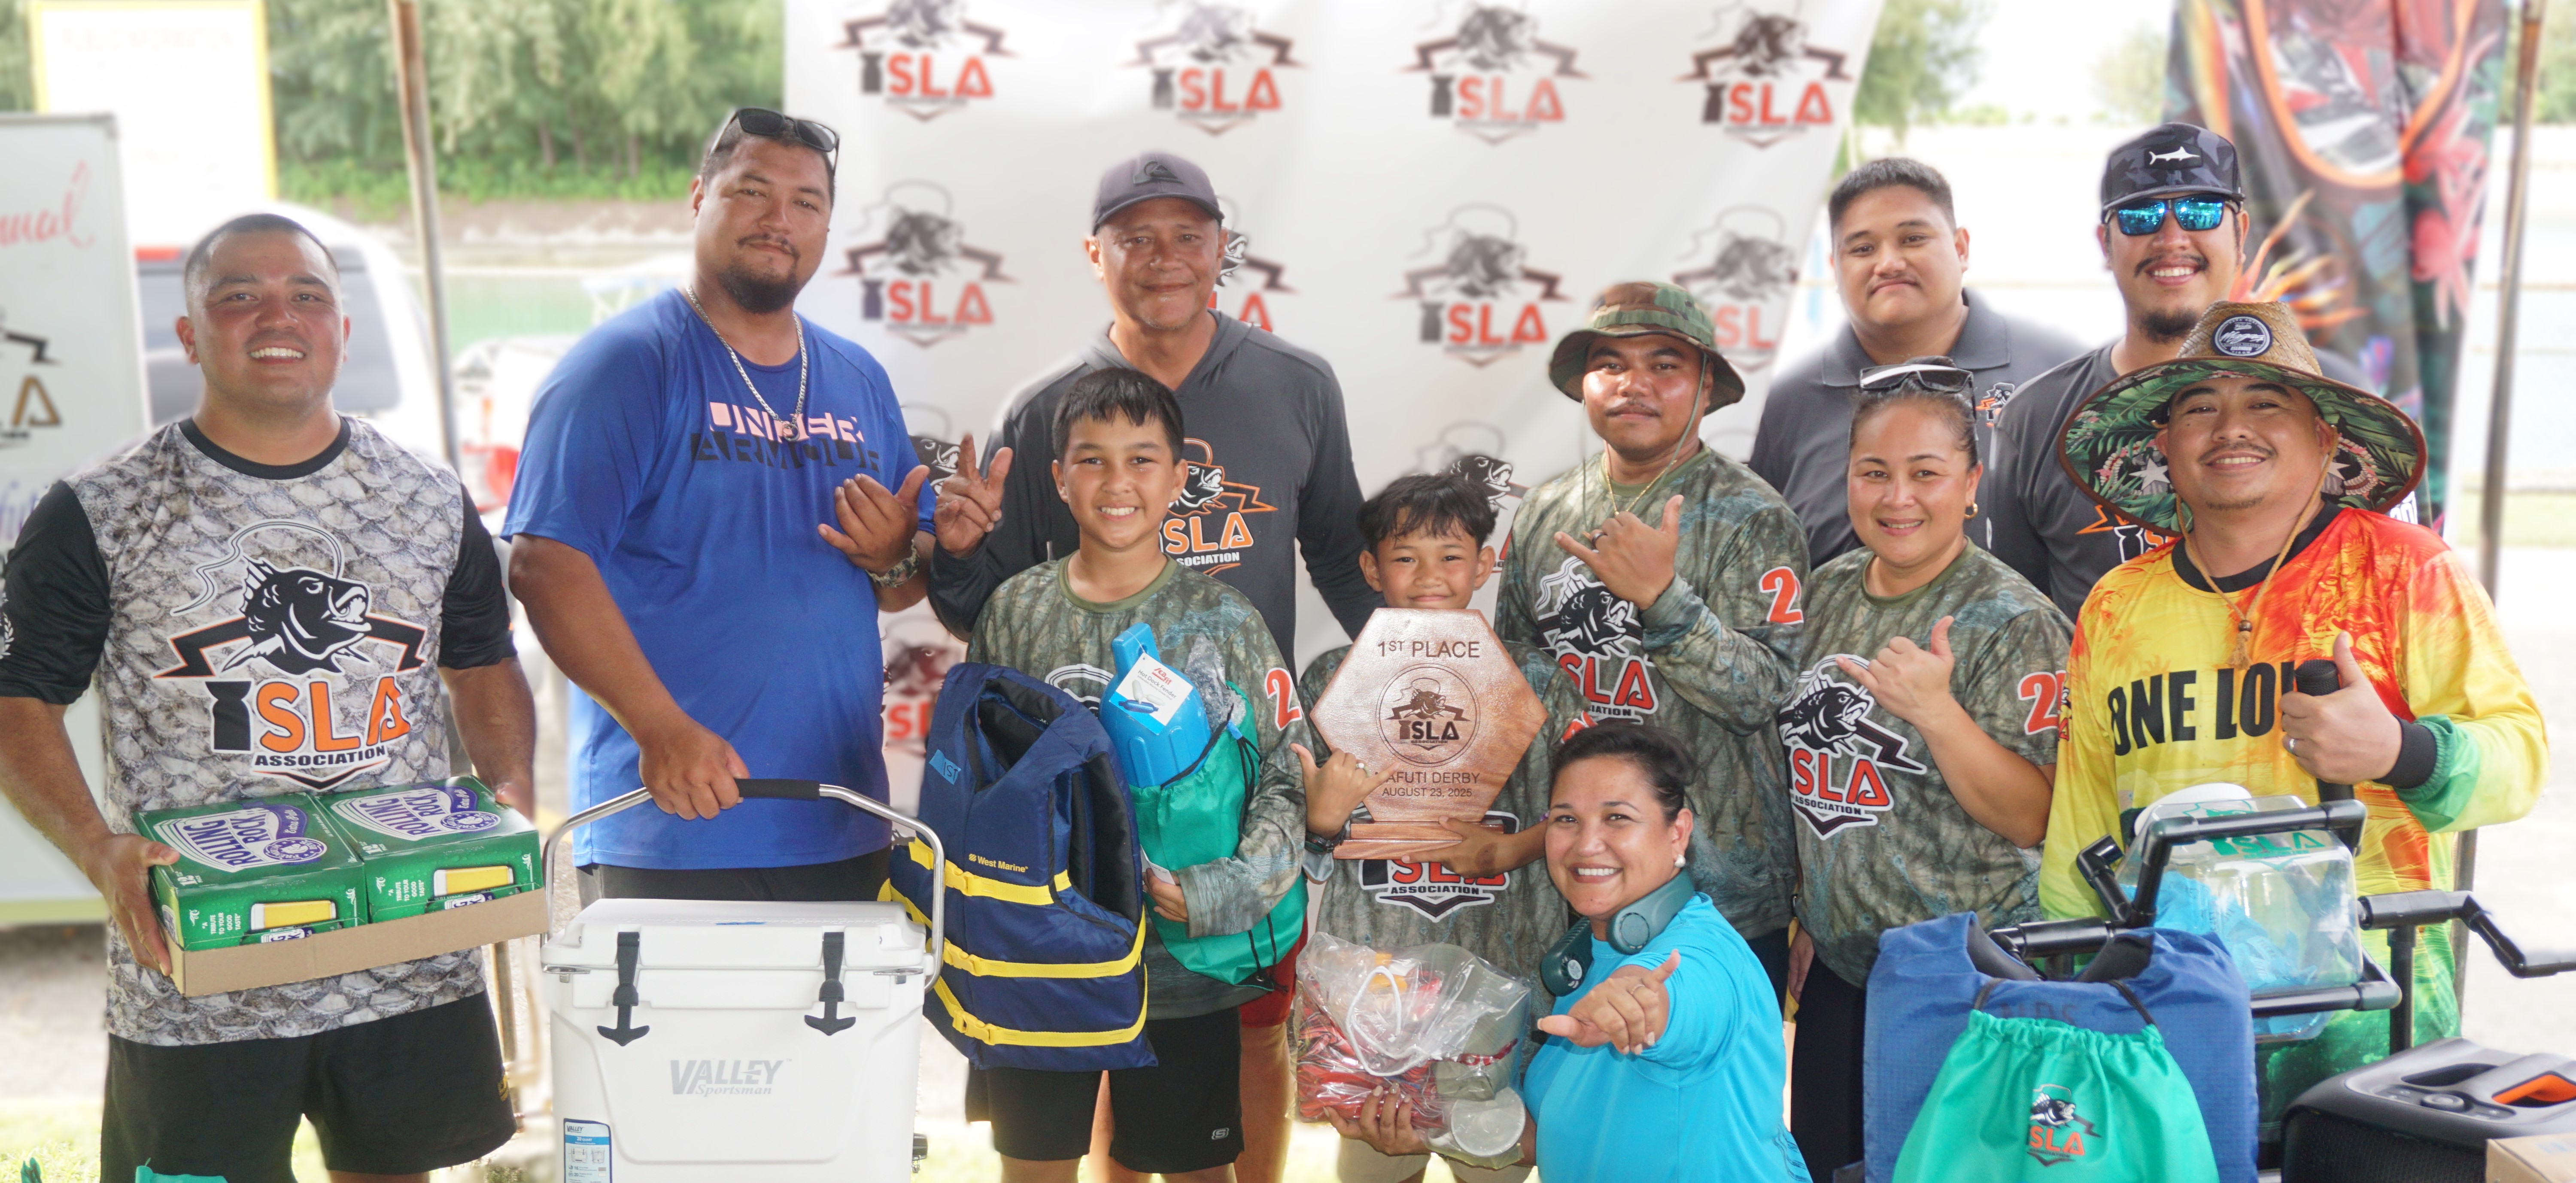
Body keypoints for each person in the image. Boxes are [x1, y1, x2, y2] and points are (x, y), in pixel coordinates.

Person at [0, 212, 534, 1182]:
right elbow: (17, 696)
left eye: (308, 295)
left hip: (404, 947)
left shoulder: (423, 493)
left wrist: (501, 799)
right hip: (201, 960)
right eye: (238, 295)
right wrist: (96, 845)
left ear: (342, 329)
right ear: (191, 335)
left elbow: (484, 658)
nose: (276, 315)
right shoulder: (104, 506)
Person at [929, 149, 1370, 1182]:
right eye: (1136, 236)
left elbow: (1348, 567)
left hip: (1202, 907)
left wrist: (1410, 689)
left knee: (1214, 1100)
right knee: (1052, 1126)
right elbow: (974, 736)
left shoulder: (1294, 394)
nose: (1163, 257)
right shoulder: (1038, 446)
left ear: (1184, 475)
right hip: (1049, 926)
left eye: (1187, 234)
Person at [2041, 301, 2546, 1134]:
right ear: (2163, 446)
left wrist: (2400, 750)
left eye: (2267, 404)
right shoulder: (2117, 607)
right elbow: (2081, 831)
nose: (2231, 429)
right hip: (2170, 1017)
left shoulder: (2402, 570)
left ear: (2325, 440)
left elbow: (2518, 758)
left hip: (2371, 1021)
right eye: (2200, 407)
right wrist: (2066, 996)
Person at [505, 108, 934, 904]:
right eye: (753, 192)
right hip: (672, 822)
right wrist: (660, 729)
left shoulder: (858, 377)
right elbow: (545, 565)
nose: (780, 220)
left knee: (832, 1034)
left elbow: (900, 583)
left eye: (806, 203)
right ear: (699, 197)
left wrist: (900, 553)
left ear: (828, 228)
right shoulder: (626, 364)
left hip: (838, 815)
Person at [964, 368, 1311, 1183]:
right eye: (1092, 460)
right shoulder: (1014, 612)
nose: (1117, 483)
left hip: (1183, 965)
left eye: (1142, 460)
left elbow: (1288, 777)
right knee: (1036, 1164)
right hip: (1041, 960)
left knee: (1192, 1167)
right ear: (1057, 479)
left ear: (1179, 477)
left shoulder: (1223, 620)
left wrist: (1221, 889)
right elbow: (975, 780)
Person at [1778, 360, 2072, 1181]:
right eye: (1874, 473)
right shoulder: (1826, 591)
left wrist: (1939, 713)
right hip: (1844, 973)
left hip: (1967, 979)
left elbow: (2035, 817)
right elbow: (1810, 771)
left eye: (1925, 474)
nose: (1897, 497)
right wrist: (1810, 912)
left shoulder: (2015, 622)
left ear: (1972, 484)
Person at [1496, 281, 1804, 996]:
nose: (1633, 384)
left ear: (1705, 387)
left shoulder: (1752, 517)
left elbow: (1764, 694)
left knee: (1696, 1098)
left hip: (1716, 889)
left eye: (1665, 364)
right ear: (1584, 385)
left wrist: (1665, 603)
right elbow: (1520, 688)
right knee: (1577, 1095)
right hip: (1577, 879)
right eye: (1610, 363)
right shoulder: (1547, 510)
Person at [1333, 723, 1808, 1180]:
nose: (1586, 843)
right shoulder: (1595, 952)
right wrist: (1428, 1125)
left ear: (1677, 832)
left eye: (1617, 817)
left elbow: (1676, 998)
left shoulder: (1701, 954)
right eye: (1566, 819)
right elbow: (1560, 1138)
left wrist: (1642, 1008)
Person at [1292, 469, 1591, 1183]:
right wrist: (1324, 820)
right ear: (1369, 568)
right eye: (1405, 556)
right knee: (1371, 1160)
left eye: (1452, 555)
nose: (1430, 574)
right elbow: (1296, 841)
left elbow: (1586, 819)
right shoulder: (1333, 677)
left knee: (1489, 1163)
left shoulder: (1540, 681)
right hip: (1374, 981)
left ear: (1487, 564)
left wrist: (1511, 845)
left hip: (1502, 977)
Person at [1984, 122, 2373, 622]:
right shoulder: (2035, 419)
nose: (2171, 238)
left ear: (2241, 234)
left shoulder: (2340, 397)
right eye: (2141, 215)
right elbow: (2016, 623)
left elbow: (2407, 597)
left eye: (2201, 210)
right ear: (2106, 243)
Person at [1753, 158, 2084, 565]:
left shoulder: (2056, 376)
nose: (1889, 263)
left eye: (1912, 239)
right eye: (1862, 249)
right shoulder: (1784, 409)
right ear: (1836, 269)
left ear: (1961, 248)